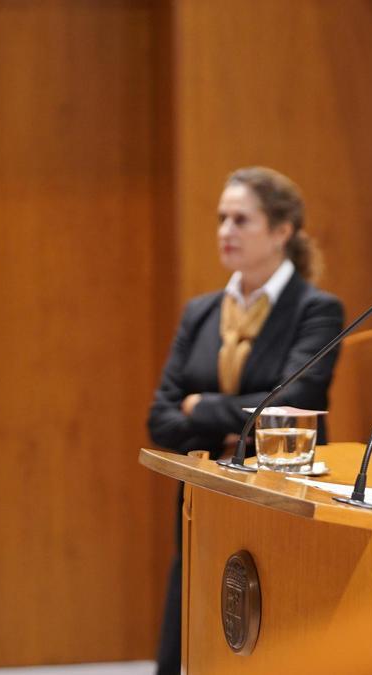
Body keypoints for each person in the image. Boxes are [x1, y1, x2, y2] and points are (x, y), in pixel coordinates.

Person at [147, 166, 344, 673]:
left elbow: (294, 401)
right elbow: (161, 419)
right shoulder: (201, 311)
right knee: (190, 607)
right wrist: (235, 420)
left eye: (240, 219)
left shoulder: (316, 310)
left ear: (282, 231)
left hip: (277, 491)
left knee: (270, 622)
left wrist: (199, 408)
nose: (225, 231)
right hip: (203, 488)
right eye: (221, 219)